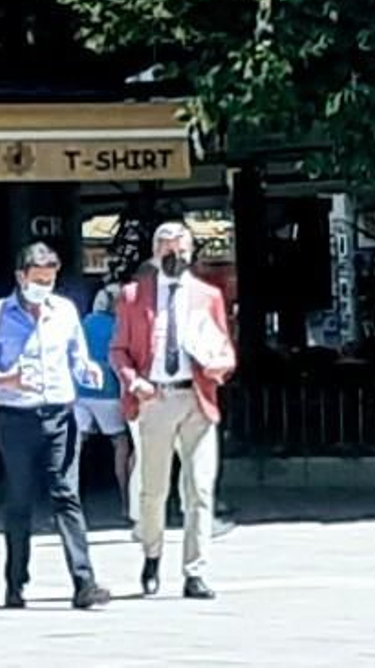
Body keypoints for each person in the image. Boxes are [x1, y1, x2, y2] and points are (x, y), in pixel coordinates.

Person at [0, 242, 111, 611]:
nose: (44, 287)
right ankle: (15, 582)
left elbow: (77, 356)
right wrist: (5, 380)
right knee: (19, 500)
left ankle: (84, 581)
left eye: (50, 280)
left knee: (67, 496)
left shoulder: (64, 311)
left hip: (60, 415)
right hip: (16, 417)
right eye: (38, 280)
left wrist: (89, 370)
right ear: (21, 277)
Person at [112, 221, 237, 601]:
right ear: (155, 253)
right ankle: (152, 555)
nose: (176, 257)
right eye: (168, 251)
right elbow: (119, 350)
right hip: (156, 398)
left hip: (196, 397)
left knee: (199, 488)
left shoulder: (207, 295)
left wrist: (221, 367)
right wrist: (134, 381)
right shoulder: (133, 296)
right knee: (153, 489)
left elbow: (222, 346)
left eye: (182, 250)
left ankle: (194, 571)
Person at [74, 285, 132, 520]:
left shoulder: (84, 322)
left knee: (75, 446)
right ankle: (126, 501)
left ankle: (71, 501)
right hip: (108, 393)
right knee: (120, 443)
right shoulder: (119, 325)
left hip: (80, 392)